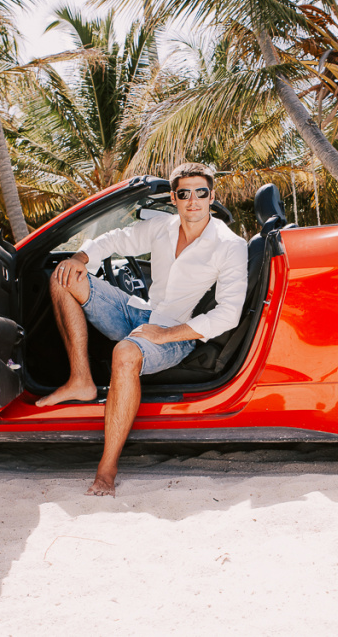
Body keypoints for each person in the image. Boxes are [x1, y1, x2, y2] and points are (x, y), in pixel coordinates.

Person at [37, 163, 249, 496]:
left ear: (211, 196)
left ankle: (107, 470)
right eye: (184, 193)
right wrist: (79, 258)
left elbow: (228, 314)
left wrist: (164, 335)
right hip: (141, 313)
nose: (193, 201)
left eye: (201, 192)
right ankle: (81, 380)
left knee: (124, 353)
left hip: (176, 333)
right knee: (64, 276)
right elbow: (114, 239)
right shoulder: (162, 226)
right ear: (173, 198)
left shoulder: (229, 244)